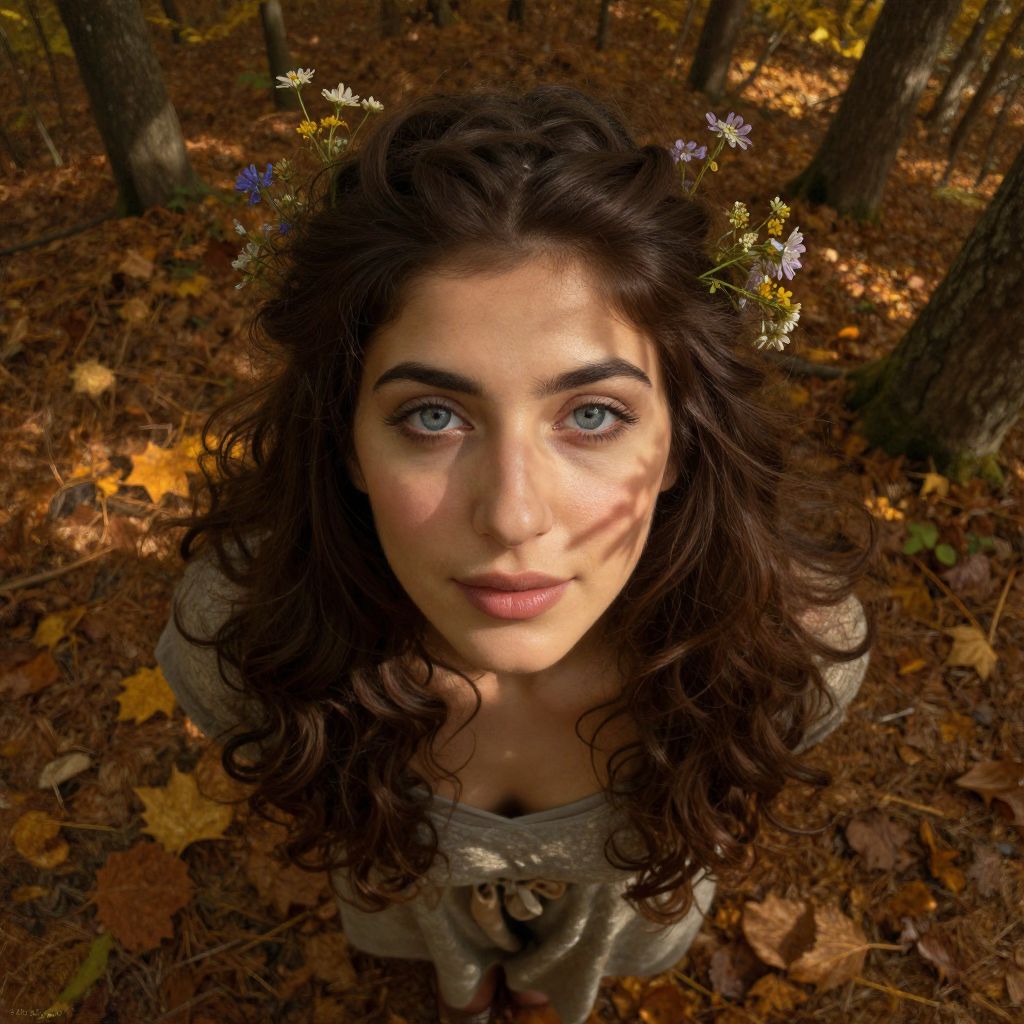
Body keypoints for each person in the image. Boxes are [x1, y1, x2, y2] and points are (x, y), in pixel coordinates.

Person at [154, 83, 876, 1024]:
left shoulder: (786, 653)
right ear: (346, 446)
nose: (513, 516)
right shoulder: (243, 637)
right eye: (433, 415)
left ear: (678, 443)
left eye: (591, 414)